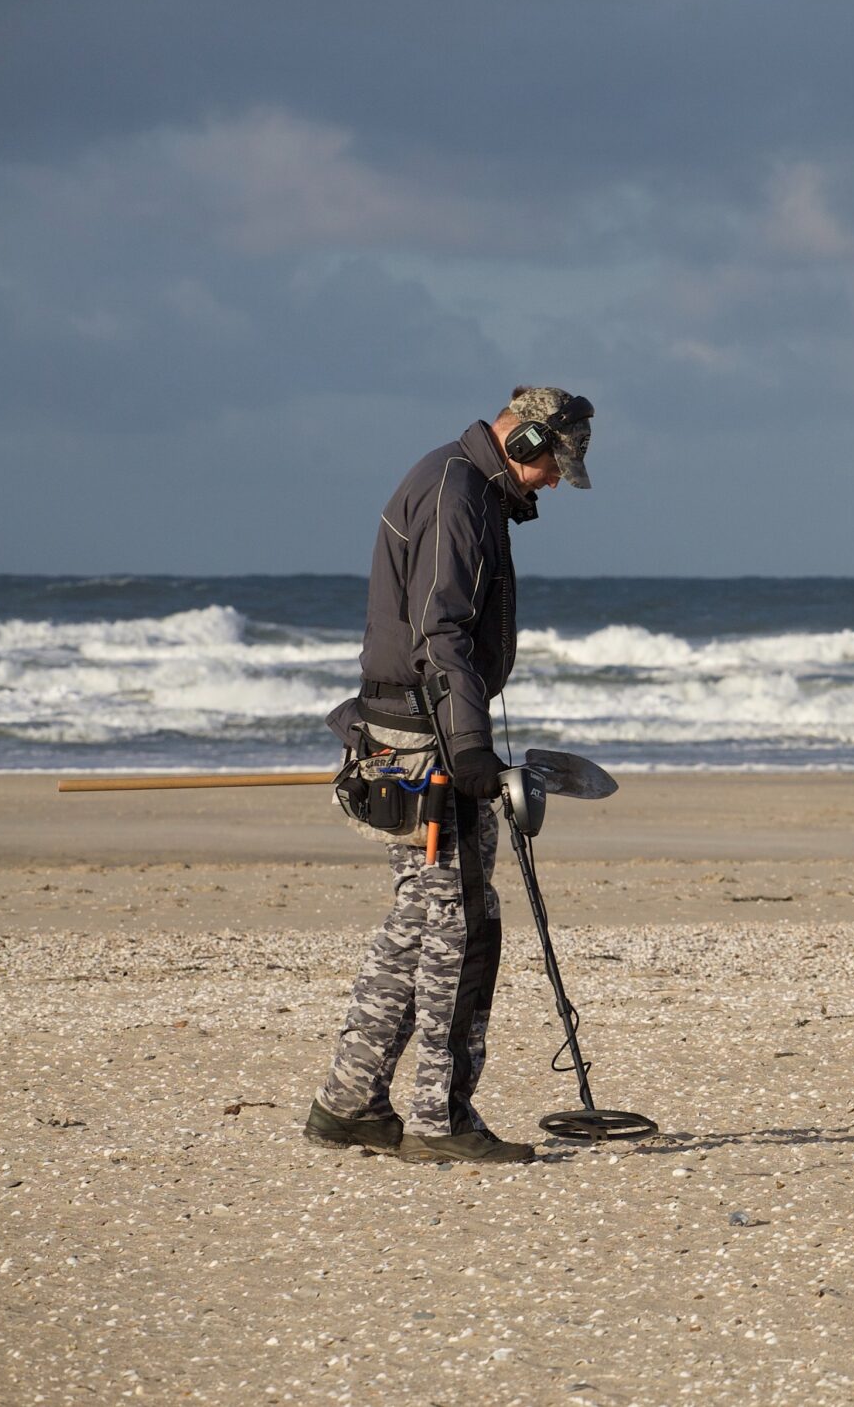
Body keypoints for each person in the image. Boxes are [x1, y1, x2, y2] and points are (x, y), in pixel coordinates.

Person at [304, 386, 594, 1164]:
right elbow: (444, 633)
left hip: (410, 734)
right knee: (463, 922)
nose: (555, 482)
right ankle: (440, 1118)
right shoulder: (456, 492)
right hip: (426, 746)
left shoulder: (458, 484)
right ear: (526, 437)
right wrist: (467, 749)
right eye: (554, 465)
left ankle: (349, 1101)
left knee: (419, 918)